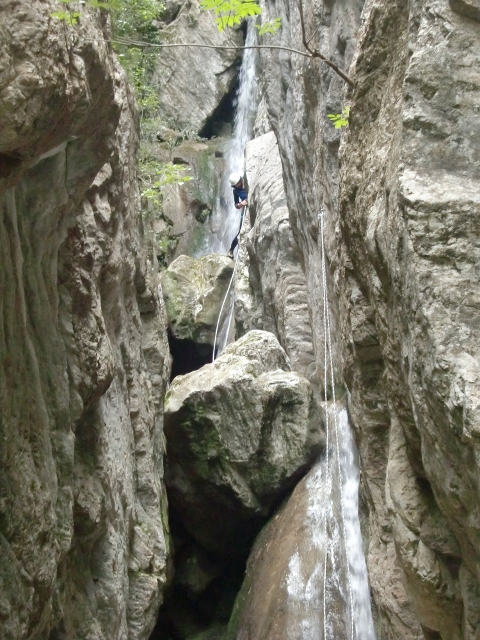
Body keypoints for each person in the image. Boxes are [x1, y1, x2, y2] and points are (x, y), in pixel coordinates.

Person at [227, 173, 248, 258]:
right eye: (236, 184)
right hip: (245, 210)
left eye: (239, 182)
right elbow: (236, 205)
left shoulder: (246, 181)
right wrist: (241, 204)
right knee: (240, 233)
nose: (238, 185)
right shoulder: (235, 191)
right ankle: (231, 250)